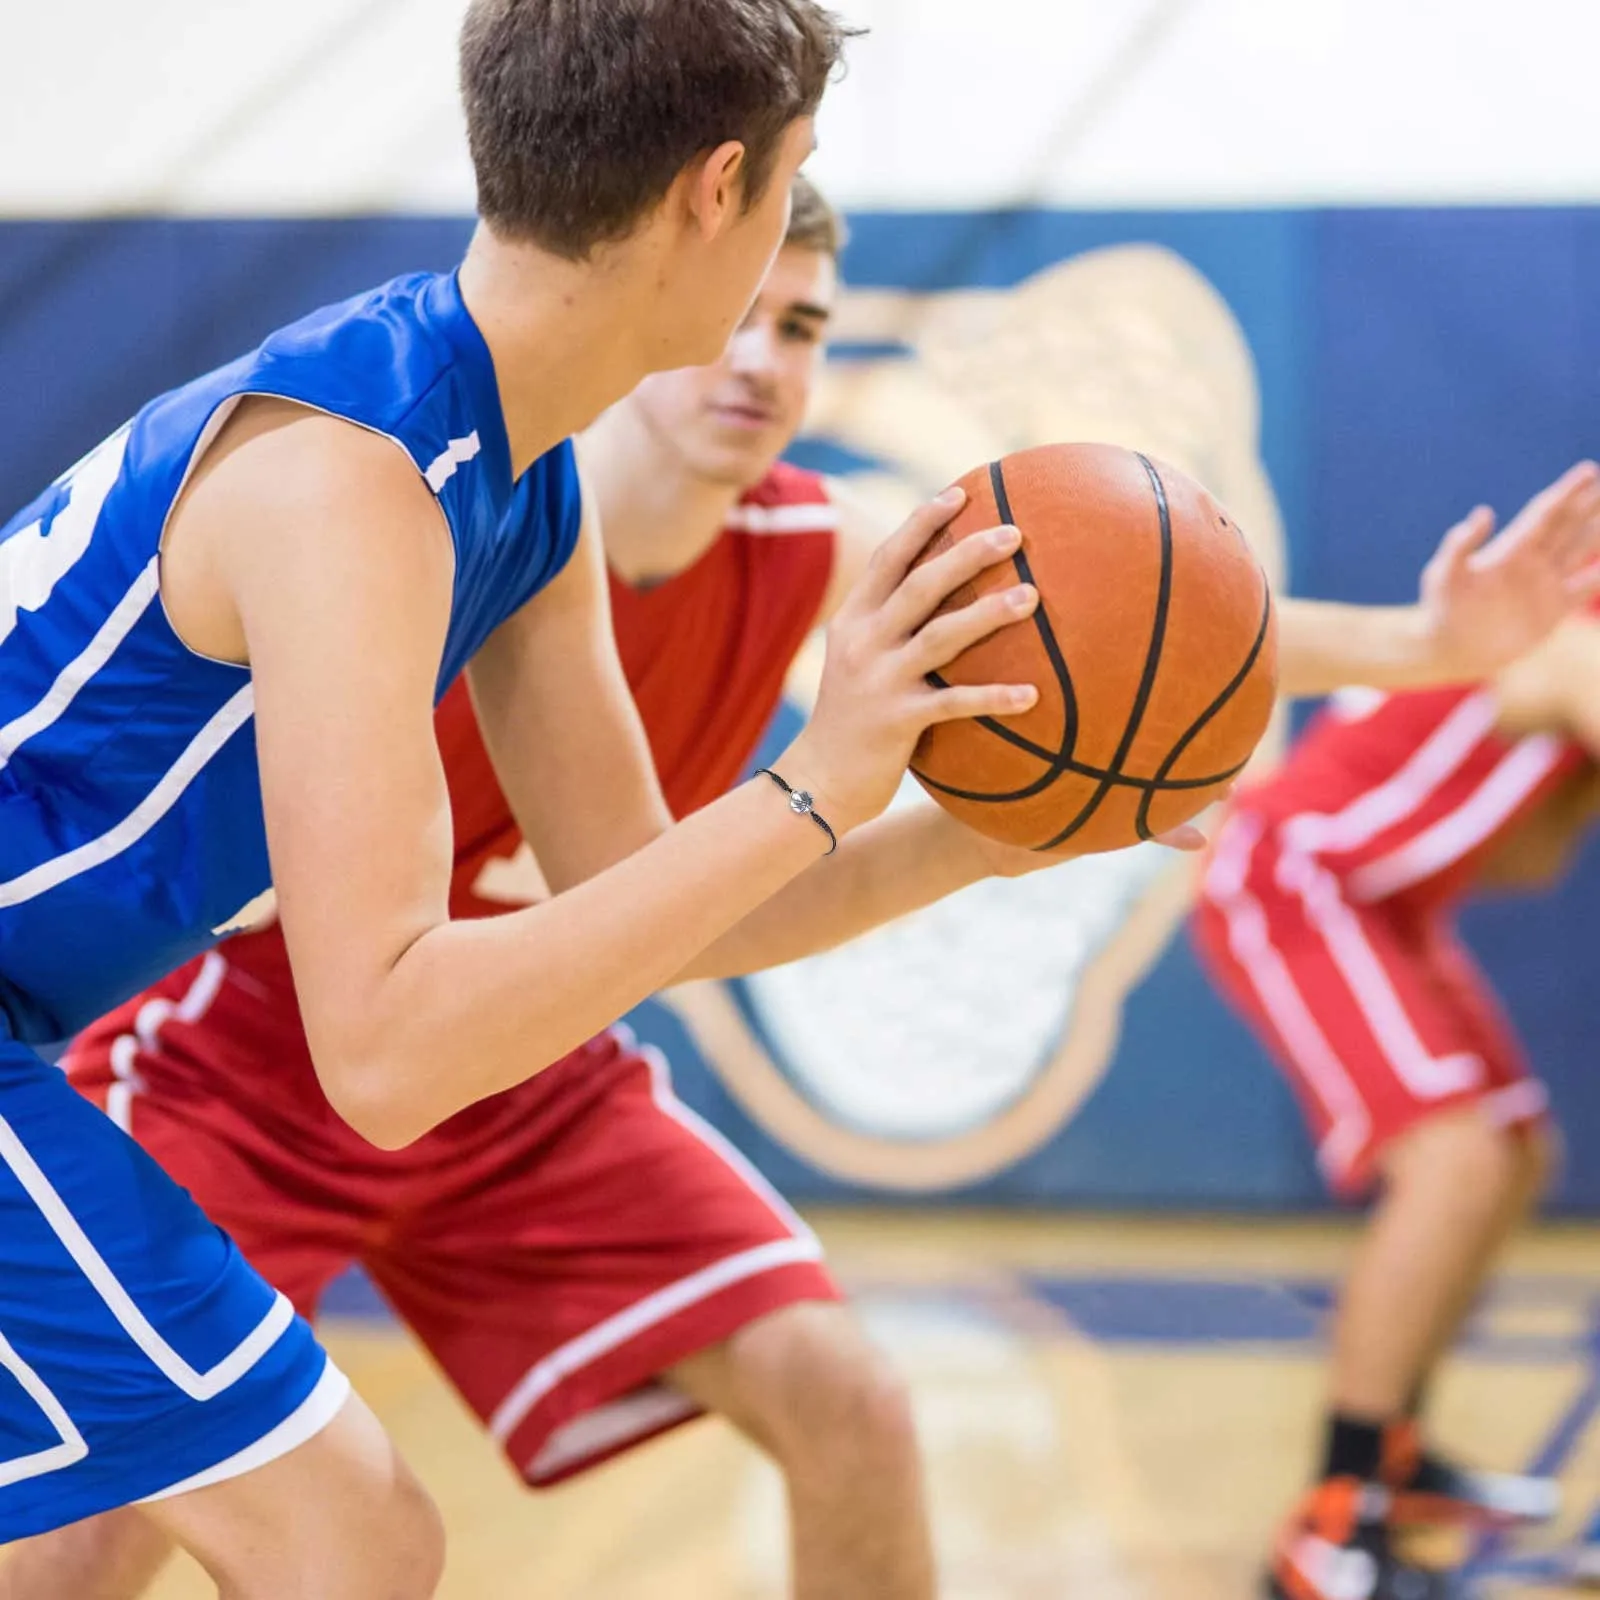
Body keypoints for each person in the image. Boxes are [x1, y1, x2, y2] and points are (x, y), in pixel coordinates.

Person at [10, 123, 1600, 1593]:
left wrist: (1422, 641)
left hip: (529, 1071)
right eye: (753, 307)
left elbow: (1128, 615)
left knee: (850, 1400)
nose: (765, 358)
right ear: (659, 298)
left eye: (811, 327)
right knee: (128, 1539)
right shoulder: (420, 509)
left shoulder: (801, 544)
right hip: (274, 1060)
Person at [0, 2, 1136, 1593]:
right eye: (791, 182)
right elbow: (390, 1051)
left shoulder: (508, 469)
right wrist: (813, 780)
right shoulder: (359, 477)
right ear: (714, 190)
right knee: (338, 1540)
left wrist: (975, 838)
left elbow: (655, 899)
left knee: (311, 1540)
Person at [1193, 572, 1600, 1598]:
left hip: (1381, 899)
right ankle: (1330, 1521)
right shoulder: (1571, 629)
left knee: (1512, 1151)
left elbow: (1523, 861)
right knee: (1453, 1161)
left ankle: (1396, 1461)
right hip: (1296, 875)